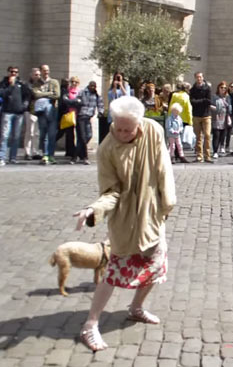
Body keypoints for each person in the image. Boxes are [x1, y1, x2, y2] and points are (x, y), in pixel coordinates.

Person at [74, 96, 176, 352]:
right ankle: (90, 324)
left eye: (127, 129)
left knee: (156, 267)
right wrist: (92, 209)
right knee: (114, 272)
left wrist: (167, 204)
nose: (121, 133)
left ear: (139, 123)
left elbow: (164, 168)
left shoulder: (154, 130)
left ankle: (136, 307)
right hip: (126, 221)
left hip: (153, 217)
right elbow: (111, 191)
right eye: (117, 128)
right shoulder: (107, 149)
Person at [0, 66, 31, 166]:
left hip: (19, 113)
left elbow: (28, 94)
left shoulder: (21, 83)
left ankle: (13, 157)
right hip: (7, 112)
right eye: (12, 72)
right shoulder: (4, 83)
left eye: (16, 72)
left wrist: (24, 105)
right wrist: (11, 85)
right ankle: (2, 157)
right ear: (8, 72)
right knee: (5, 135)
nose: (14, 74)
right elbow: (2, 94)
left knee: (16, 136)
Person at [32, 64, 60, 165]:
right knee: (43, 134)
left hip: (52, 110)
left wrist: (42, 94)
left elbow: (57, 95)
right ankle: (45, 154)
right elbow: (35, 94)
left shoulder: (54, 82)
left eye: (47, 70)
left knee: (52, 134)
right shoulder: (37, 83)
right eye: (44, 70)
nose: (46, 72)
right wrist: (49, 94)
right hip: (41, 112)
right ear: (41, 71)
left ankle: (51, 155)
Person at [76, 81, 104, 165]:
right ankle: (85, 157)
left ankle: (76, 152)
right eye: (91, 86)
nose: (92, 87)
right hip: (81, 115)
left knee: (89, 135)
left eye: (94, 86)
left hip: (88, 117)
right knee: (83, 137)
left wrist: (100, 112)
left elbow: (100, 104)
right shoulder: (82, 92)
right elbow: (77, 100)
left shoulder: (96, 95)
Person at [189, 72, 212, 163]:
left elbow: (208, 101)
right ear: (195, 78)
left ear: (203, 78)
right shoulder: (193, 90)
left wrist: (198, 101)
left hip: (206, 115)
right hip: (196, 115)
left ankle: (207, 155)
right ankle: (199, 155)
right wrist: (202, 101)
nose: (199, 79)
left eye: (200, 77)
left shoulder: (207, 88)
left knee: (207, 135)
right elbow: (192, 102)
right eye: (197, 77)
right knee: (198, 137)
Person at [102, 72, 131, 143]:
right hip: (113, 113)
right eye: (116, 77)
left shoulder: (126, 86)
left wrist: (121, 86)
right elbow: (111, 98)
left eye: (119, 77)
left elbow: (127, 96)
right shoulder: (111, 88)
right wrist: (115, 87)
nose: (118, 79)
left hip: (123, 112)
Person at [57, 76, 80, 163]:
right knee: (70, 135)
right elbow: (65, 101)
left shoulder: (80, 92)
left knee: (80, 136)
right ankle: (71, 152)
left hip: (78, 115)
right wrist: (75, 102)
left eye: (76, 82)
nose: (74, 83)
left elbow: (82, 102)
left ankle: (76, 152)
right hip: (68, 115)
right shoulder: (66, 91)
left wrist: (74, 102)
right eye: (72, 82)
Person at [23, 68, 42, 161]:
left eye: (38, 74)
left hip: (39, 110)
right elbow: (33, 94)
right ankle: (27, 152)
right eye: (35, 74)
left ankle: (35, 151)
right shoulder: (27, 85)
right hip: (30, 109)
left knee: (37, 133)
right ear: (31, 75)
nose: (37, 76)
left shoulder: (42, 84)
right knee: (29, 132)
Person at [212, 81, 231, 159]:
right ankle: (215, 151)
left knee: (223, 134)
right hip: (216, 117)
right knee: (216, 135)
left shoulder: (227, 97)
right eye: (221, 87)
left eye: (224, 88)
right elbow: (211, 105)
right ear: (218, 88)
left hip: (225, 117)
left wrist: (229, 117)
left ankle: (222, 146)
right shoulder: (214, 96)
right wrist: (216, 109)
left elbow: (229, 107)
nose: (223, 89)